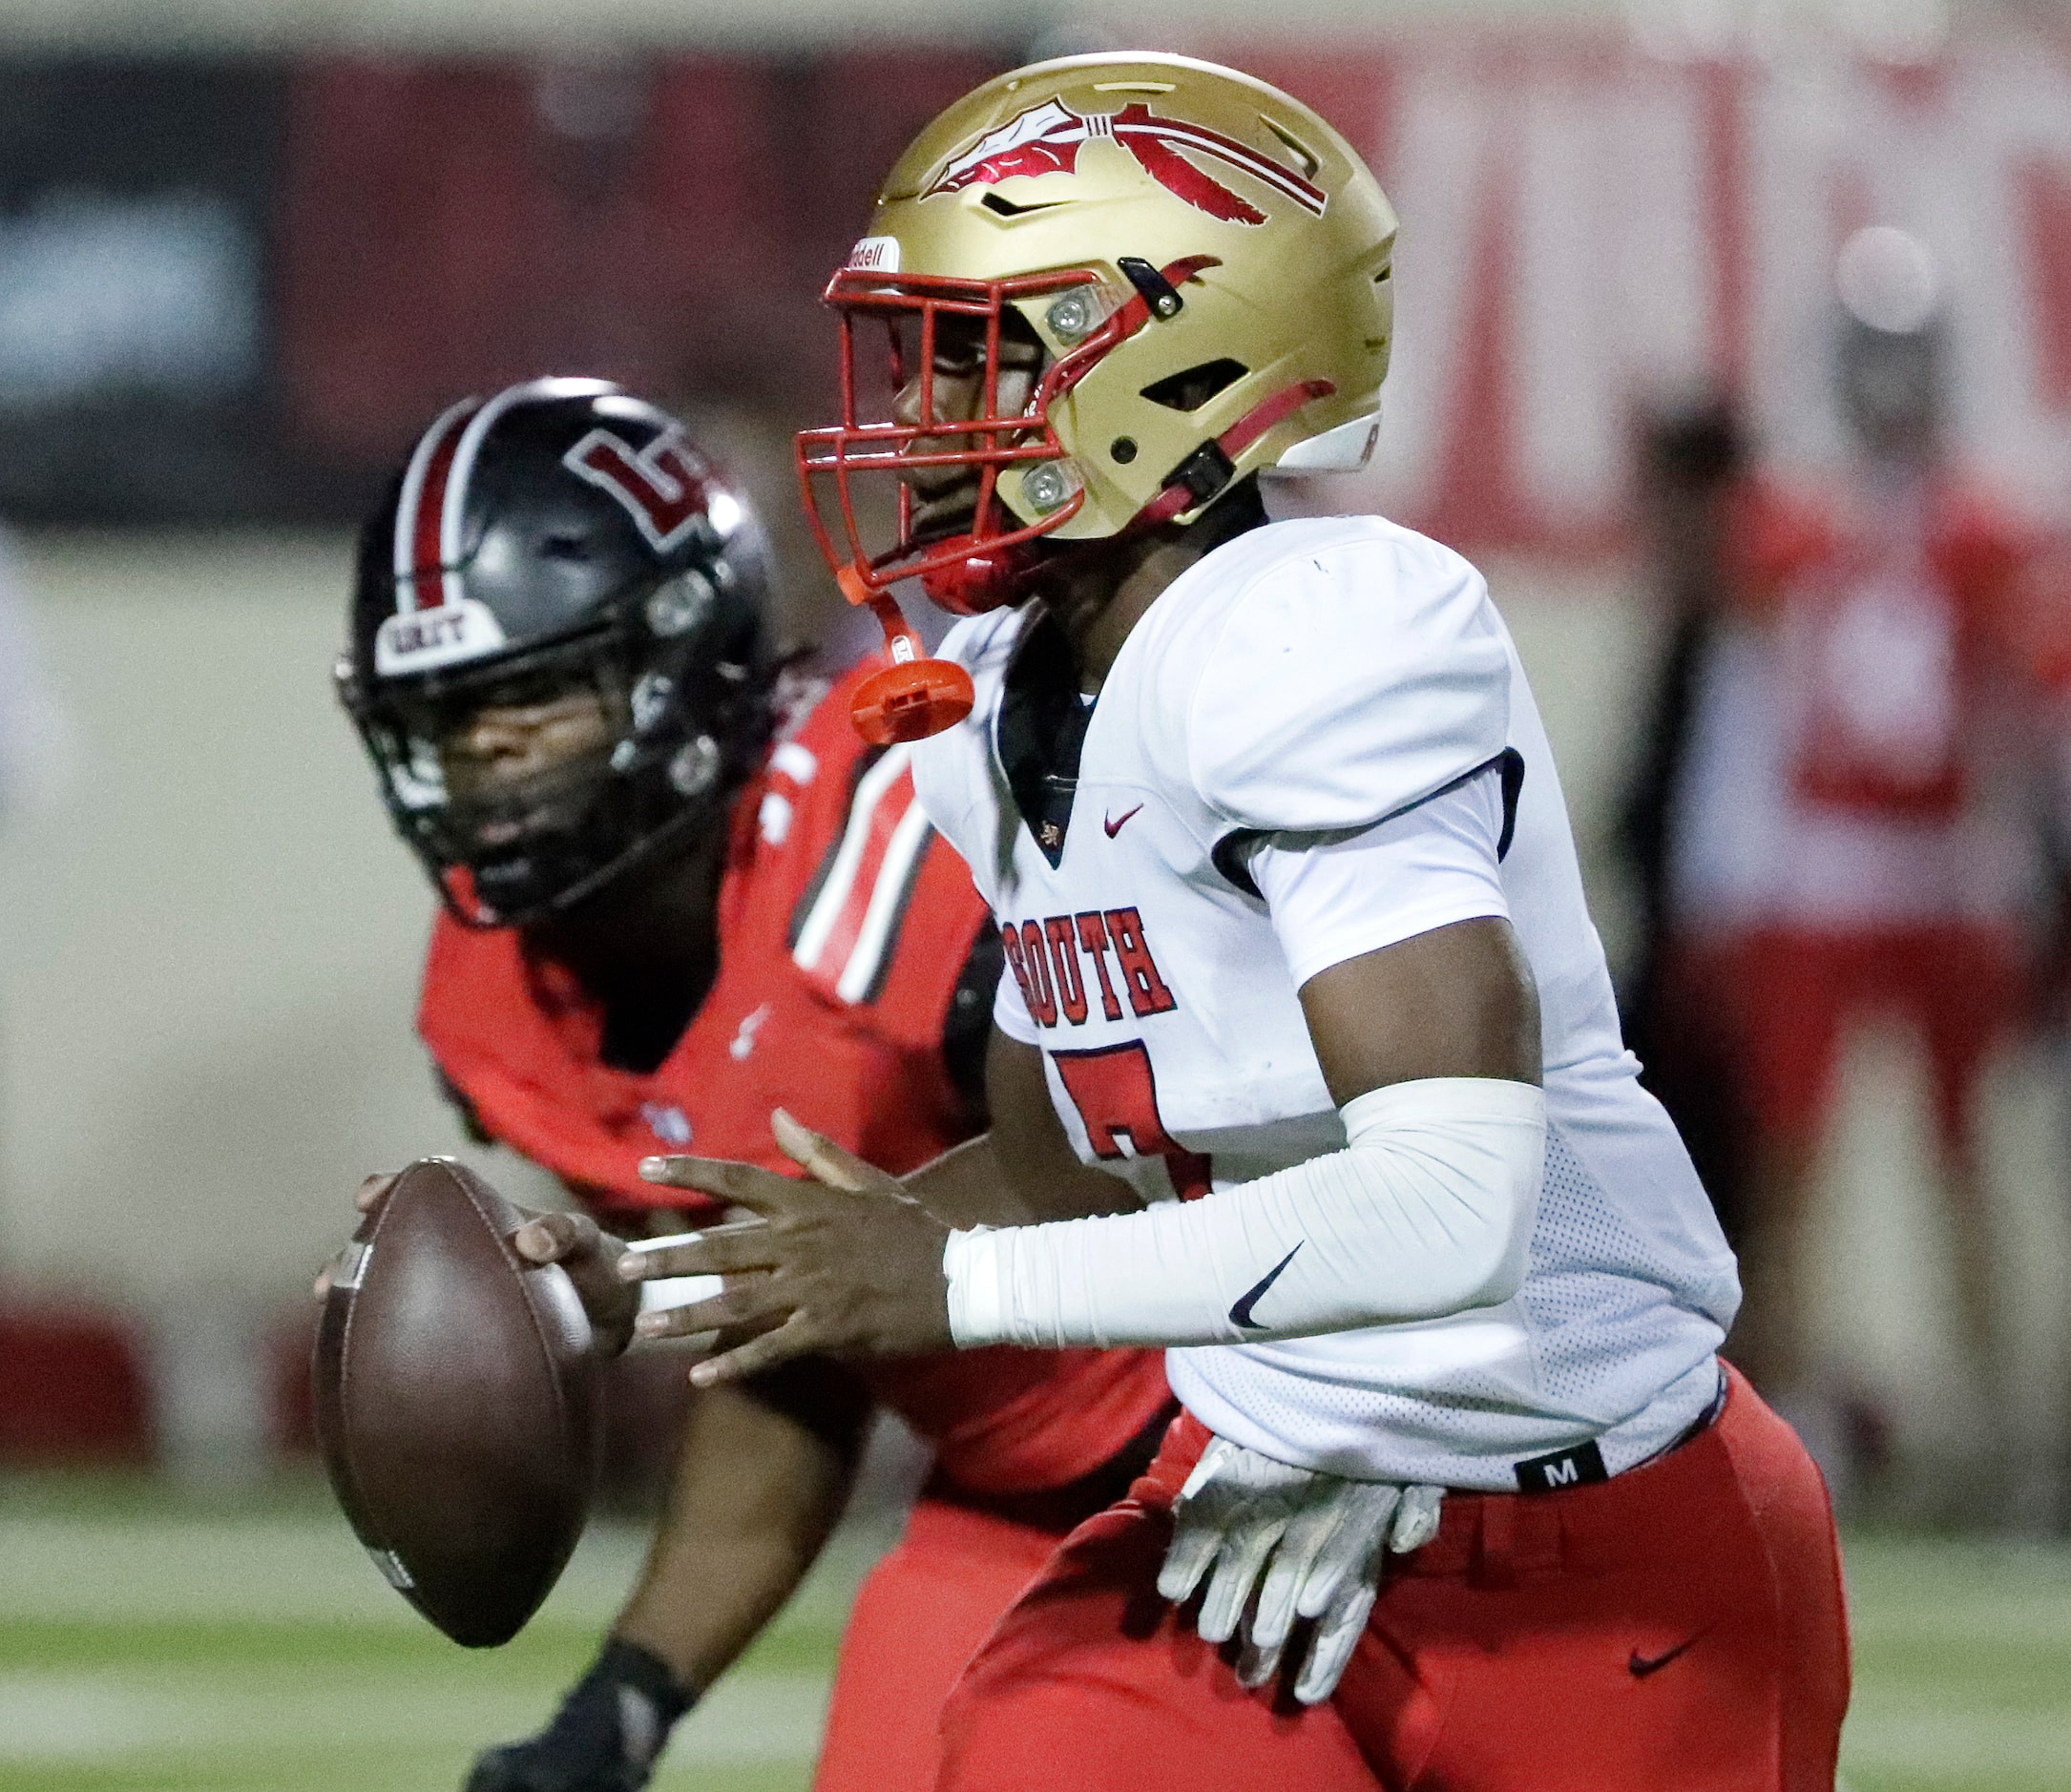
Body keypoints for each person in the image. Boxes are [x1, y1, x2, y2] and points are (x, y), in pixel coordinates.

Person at [619, 54, 1850, 1789]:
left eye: (980, 347)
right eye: (921, 350)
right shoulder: (994, 692)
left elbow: (1446, 1202)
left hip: (1600, 1550)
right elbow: (1073, 1161)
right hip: (1252, 1506)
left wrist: (954, 1285)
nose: (917, 403)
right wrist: (688, 1274)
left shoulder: (1320, 634)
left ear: (1177, 358)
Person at [330, 379, 1238, 1792]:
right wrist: (622, 1703)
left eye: (531, 694)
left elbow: (1120, 1154)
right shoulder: (495, 1006)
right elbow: (796, 1351)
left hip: (1261, 1434)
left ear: (679, 665)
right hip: (1007, 1492)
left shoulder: (898, 834)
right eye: (443, 715)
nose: (480, 754)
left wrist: (690, 1282)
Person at [1665, 228, 2040, 1487]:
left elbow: (2012, 719)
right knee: (1792, 1157)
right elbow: (1747, 715)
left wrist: (2026, 880)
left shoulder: (1978, 532)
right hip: (1819, 868)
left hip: (1936, 864)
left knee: (1961, 1150)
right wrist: (1721, 882)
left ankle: (1995, 1422)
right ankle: (1775, 1422)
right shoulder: (1788, 528)